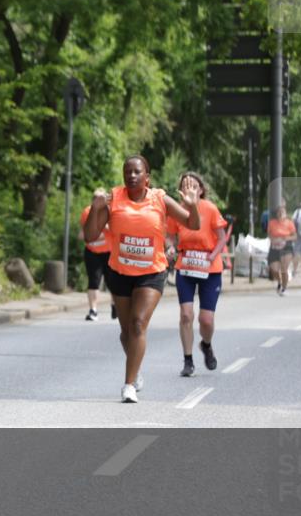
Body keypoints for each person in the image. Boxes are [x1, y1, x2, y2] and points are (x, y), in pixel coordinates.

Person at [84, 155, 200, 403]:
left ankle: (128, 385)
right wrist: (95, 209)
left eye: (137, 172)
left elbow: (192, 223)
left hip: (152, 272)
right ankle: (136, 371)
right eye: (127, 172)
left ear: (147, 176)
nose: (132, 176)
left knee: (138, 324)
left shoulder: (159, 198)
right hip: (120, 273)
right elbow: (91, 236)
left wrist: (193, 204)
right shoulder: (114, 199)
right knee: (126, 333)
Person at [165, 172, 228, 377]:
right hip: (186, 265)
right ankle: (188, 360)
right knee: (186, 315)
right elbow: (169, 235)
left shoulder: (209, 208)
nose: (188, 188)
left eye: (192, 185)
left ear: (200, 189)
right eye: (184, 185)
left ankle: (206, 345)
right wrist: (171, 247)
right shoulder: (177, 209)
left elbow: (221, 238)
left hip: (209, 267)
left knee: (206, 320)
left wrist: (212, 256)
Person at [78, 202, 115, 321]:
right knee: (93, 281)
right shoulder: (87, 212)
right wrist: (89, 234)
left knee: (112, 282)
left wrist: (103, 226)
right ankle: (93, 310)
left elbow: (117, 230)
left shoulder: (111, 211)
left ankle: (115, 305)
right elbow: (82, 234)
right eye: (95, 198)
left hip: (109, 252)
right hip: (92, 252)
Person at [267, 204, 297, 296]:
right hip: (275, 246)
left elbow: (295, 236)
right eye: (279, 212)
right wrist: (273, 239)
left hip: (286, 247)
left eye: (282, 212)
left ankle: (284, 288)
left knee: (284, 269)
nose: (280, 214)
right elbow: (269, 235)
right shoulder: (272, 223)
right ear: (276, 214)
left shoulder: (289, 223)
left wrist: (285, 239)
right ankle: (279, 282)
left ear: (285, 213)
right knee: (274, 269)